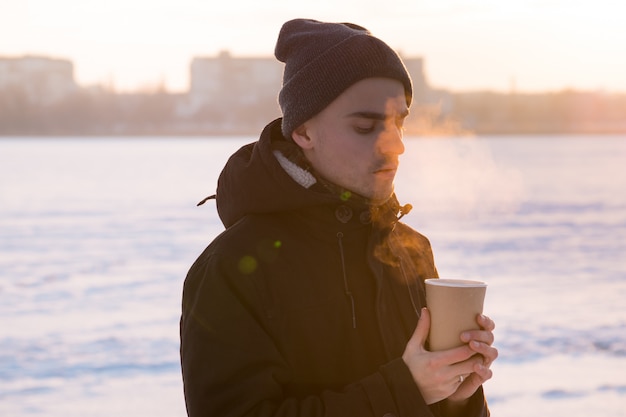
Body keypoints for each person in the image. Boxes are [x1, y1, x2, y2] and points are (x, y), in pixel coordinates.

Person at [180, 18, 498, 417]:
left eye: (400, 122)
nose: (396, 145)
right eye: (366, 126)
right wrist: (404, 390)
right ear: (304, 133)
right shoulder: (231, 268)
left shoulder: (411, 250)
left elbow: (428, 400)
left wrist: (457, 395)